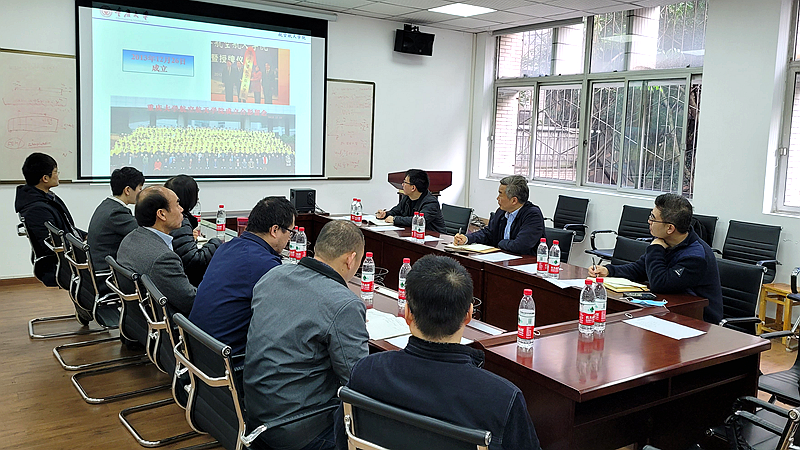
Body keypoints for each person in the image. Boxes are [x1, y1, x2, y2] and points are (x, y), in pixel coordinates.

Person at [334, 255, 541, 450]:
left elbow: (343, 440)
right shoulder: (502, 398)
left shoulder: (365, 371)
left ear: (408, 313)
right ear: (469, 315)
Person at [244, 220, 369, 450]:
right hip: (296, 430)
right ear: (351, 259)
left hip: (254, 413)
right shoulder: (344, 303)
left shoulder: (274, 275)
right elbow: (357, 380)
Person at [588, 193, 723, 324]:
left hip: (698, 320)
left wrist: (656, 248)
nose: (649, 221)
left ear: (670, 228)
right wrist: (609, 270)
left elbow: (660, 283)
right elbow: (640, 268)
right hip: (670, 310)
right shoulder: (666, 240)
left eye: (653, 218)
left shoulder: (696, 256)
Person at [190, 196, 296, 356]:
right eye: (290, 232)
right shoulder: (264, 264)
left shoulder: (226, 247)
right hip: (226, 360)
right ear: (274, 230)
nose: (289, 238)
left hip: (197, 348)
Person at [117, 186, 196, 315]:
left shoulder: (130, 238)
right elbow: (191, 302)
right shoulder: (163, 259)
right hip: (173, 321)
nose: (181, 209)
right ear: (162, 214)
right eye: (177, 205)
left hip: (138, 318)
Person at [14, 152, 84, 288]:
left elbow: (66, 227)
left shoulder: (47, 198)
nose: (58, 175)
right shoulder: (36, 209)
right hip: (59, 264)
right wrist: (82, 247)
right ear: (45, 178)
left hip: (70, 254)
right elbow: (52, 244)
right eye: (56, 172)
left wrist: (86, 236)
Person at [454, 175, 545, 255]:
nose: (497, 198)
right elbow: (488, 234)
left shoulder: (533, 215)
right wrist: (467, 238)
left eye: (500, 194)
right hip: (502, 260)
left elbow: (520, 246)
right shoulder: (502, 211)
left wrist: (500, 243)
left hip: (524, 264)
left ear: (514, 200)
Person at [163, 175, 221, 287]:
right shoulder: (180, 221)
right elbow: (194, 261)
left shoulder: (171, 217)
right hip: (186, 284)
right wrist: (216, 243)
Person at [87, 167, 144, 278]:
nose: (141, 193)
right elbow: (144, 233)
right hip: (106, 274)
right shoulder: (117, 213)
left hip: (97, 267)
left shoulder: (107, 205)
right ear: (127, 190)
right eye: (140, 189)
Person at [375, 169, 446, 233]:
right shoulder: (407, 197)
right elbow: (396, 211)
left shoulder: (431, 202)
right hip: (414, 235)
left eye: (405, 182)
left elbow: (418, 221)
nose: (402, 185)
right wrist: (385, 214)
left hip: (434, 238)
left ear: (413, 188)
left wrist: (395, 219)